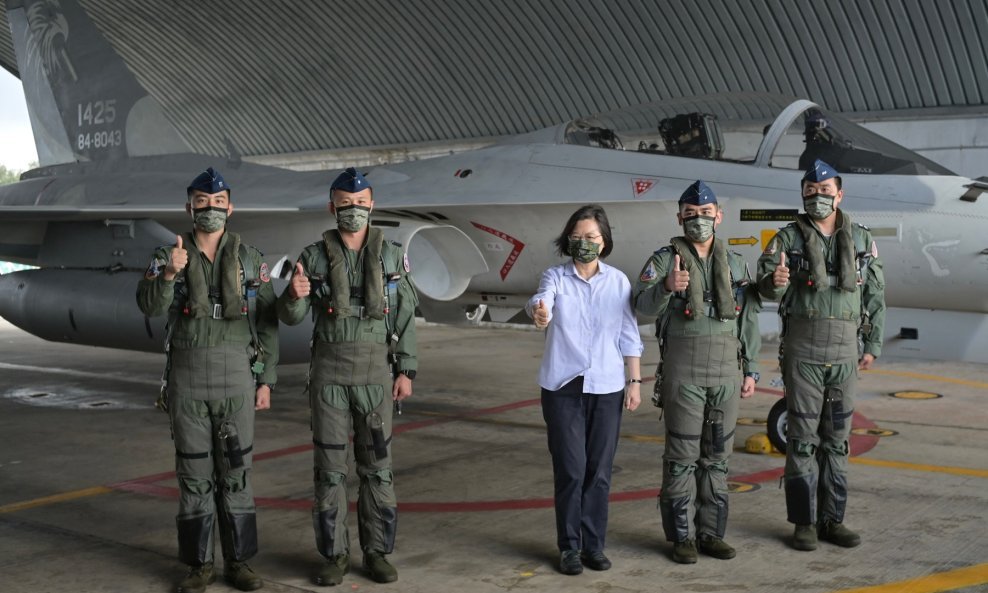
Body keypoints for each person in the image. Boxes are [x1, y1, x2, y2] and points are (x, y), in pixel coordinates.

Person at [137, 167, 279, 593]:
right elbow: (147, 306)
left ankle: (239, 563)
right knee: (194, 474)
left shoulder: (250, 259)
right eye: (202, 202)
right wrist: (168, 275)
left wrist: (265, 379)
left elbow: (268, 324)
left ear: (230, 208)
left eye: (218, 203)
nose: (210, 209)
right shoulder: (168, 256)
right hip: (188, 381)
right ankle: (199, 566)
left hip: (236, 379)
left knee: (236, 473)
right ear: (189, 207)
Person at [277, 167, 418, 585]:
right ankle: (334, 556)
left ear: (372, 205)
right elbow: (290, 316)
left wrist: (406, 369)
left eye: (359, 203)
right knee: (330, 470)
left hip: (375, 375)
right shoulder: (313, 257)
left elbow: (405, 315)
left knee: (377, 468)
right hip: (330, 377)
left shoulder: (391, 256)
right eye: (345, 204)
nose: (352, 210)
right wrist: (293, 295)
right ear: (331, 207)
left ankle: (376, 553)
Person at [756, 159, 886, 551]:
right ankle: (804, 524)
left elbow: (875, 294)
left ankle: (833, 520)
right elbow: (766, 288)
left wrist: (873, 345)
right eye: (810, 191)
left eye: (825, 191)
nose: (818, 197)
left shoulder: (861, 239)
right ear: (802, 194)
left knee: (837, 440)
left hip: (845, 352)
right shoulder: (786, 239)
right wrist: (775, 281)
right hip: (804, 351)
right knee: (801, 439)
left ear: (839, 195)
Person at [633, 180, 761, 564]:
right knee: (682, 456)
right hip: (684, 371)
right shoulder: (664, 260)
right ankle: (682, 538)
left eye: (706, 214)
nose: (698, 220)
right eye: (691, 214)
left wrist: (751, 369)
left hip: (726, 372)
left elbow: (748, 320)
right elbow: (642, 307)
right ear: (679, 218)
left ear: (719, 216)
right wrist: (666, 287)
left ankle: (711, 534)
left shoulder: (735, 263)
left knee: (717, 458)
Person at [526, 204, 643, 576]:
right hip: (563, 387)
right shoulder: (555, 277)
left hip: (607, 387)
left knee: (599, 472)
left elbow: (629, 336)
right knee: (571, 470)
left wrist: (634, 382)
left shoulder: (618, 282)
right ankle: (569, 547)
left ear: (604, 241)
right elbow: (542, 299)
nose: (584, 243)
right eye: (576, 237)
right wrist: (540, 311)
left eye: (591, 236)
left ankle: (594, 546)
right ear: (567, 241)